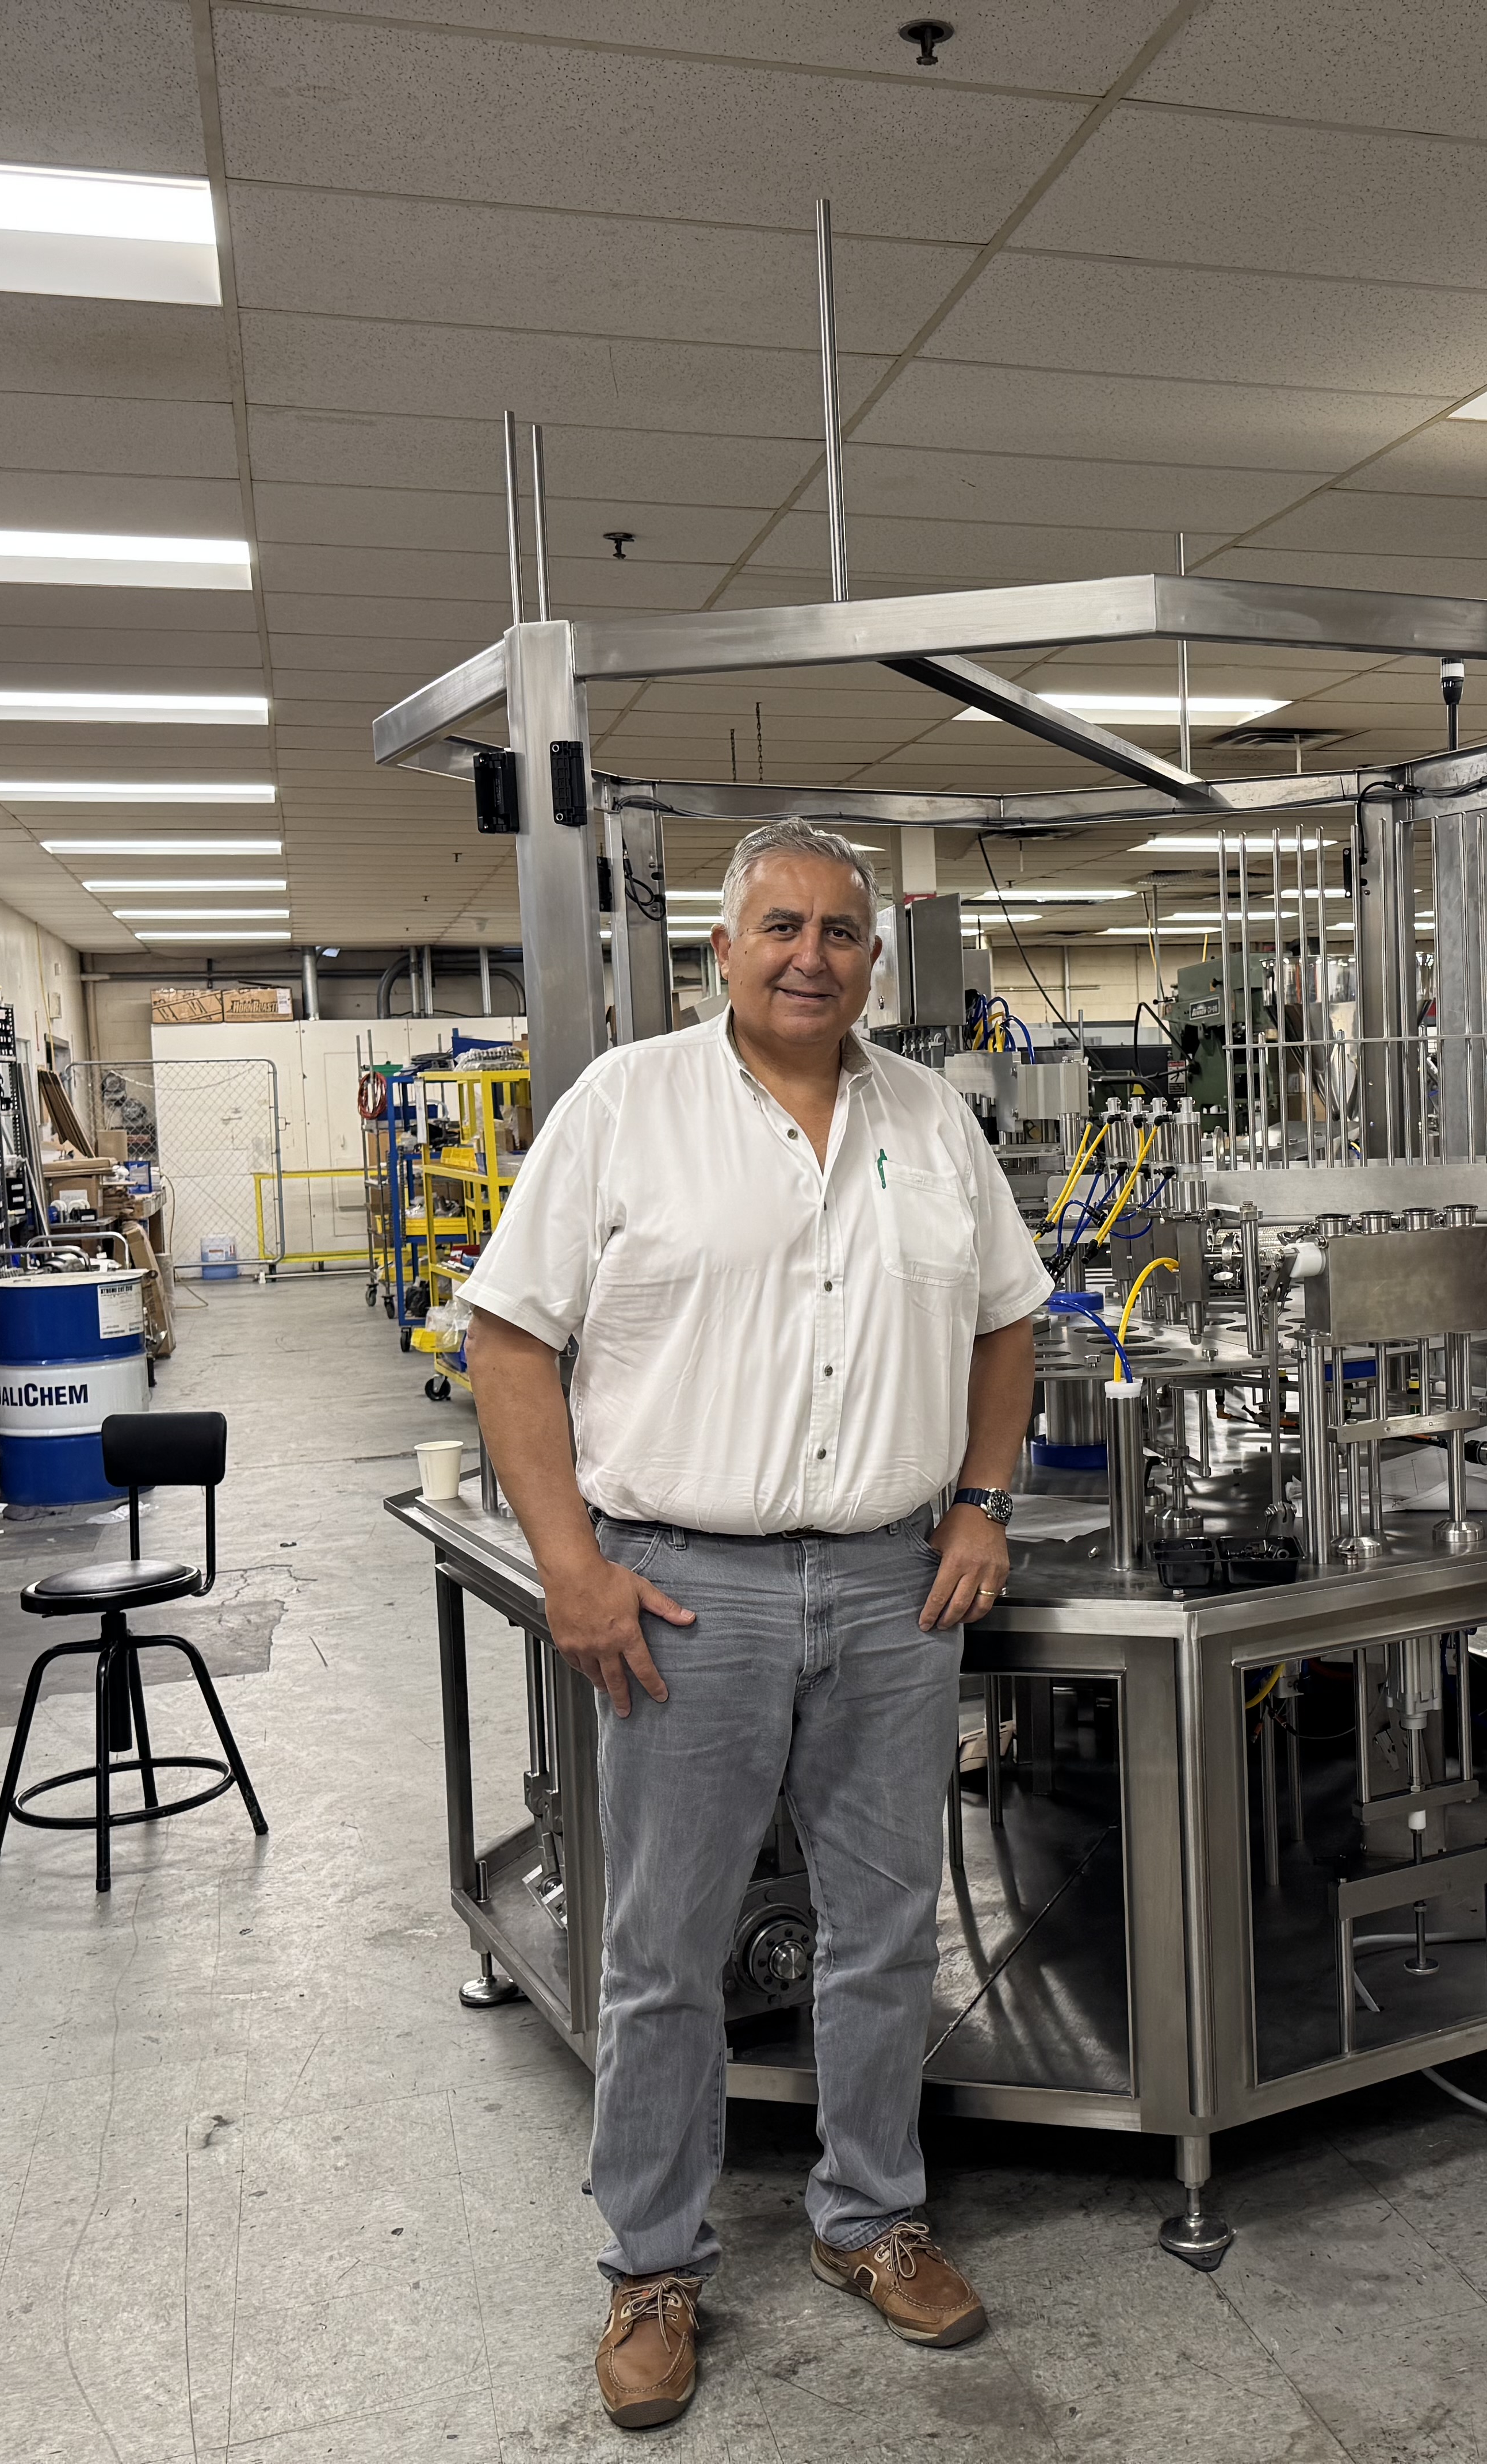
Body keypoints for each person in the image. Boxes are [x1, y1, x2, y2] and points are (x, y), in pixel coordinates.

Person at [460, 819, 1050, 2432]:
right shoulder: (626, 1108)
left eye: (843, 931)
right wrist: (571, 1560)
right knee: (665, 1949)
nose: (813, 954)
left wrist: (985, 1493)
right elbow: (508, 1339)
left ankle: (870, 2213)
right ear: (719, 949)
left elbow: (1011, 1318)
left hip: (889, 1581)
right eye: (780, 925)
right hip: (684, 1587)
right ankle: (653, 2263)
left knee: (882, 1923)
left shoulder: (930, 1121)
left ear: (875, 956)